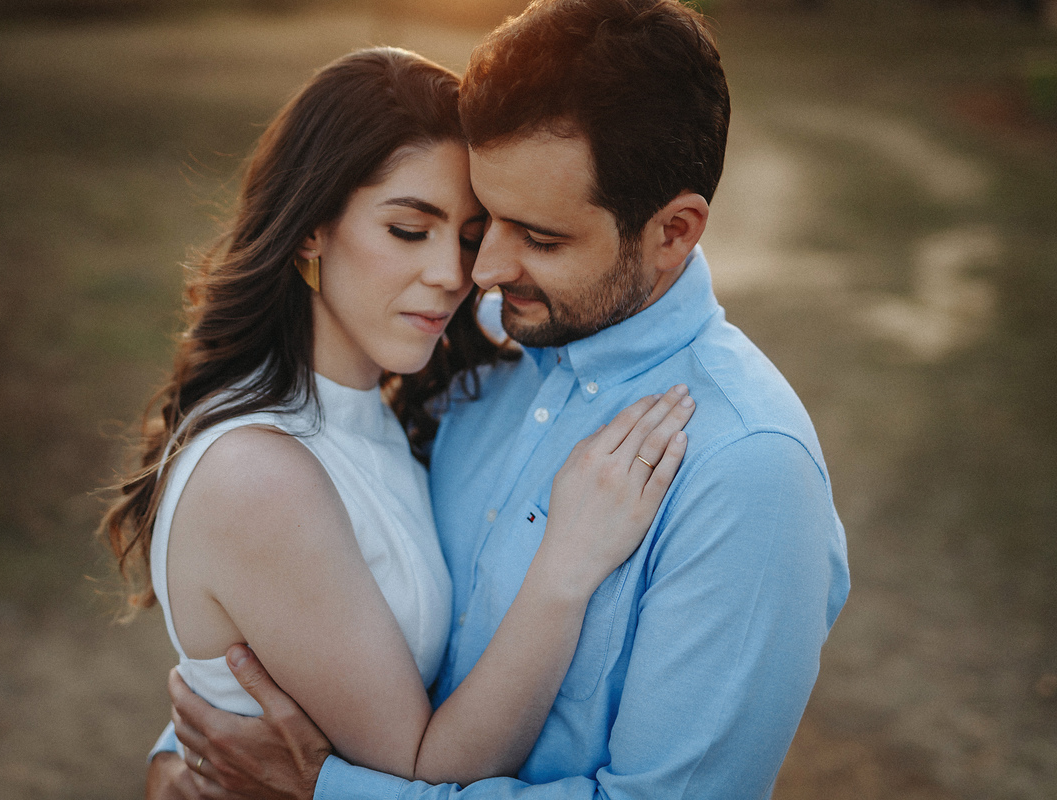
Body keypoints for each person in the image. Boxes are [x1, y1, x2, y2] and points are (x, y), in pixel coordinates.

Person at [147, 1, 851, 798]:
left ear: (674, 231)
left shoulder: (746, 469)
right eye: (487, 226)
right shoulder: (472, 350)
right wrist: (190, 752)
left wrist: (325, 789)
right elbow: (316, 599)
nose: (476, 272)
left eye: (538, 238)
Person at [101, 45, 695, 796]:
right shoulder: (259, 473)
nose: (454, 274)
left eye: (469, 236)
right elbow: (421, 770)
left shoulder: (370, 403)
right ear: (312, 228)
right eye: (409, 231)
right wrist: (567, 565)